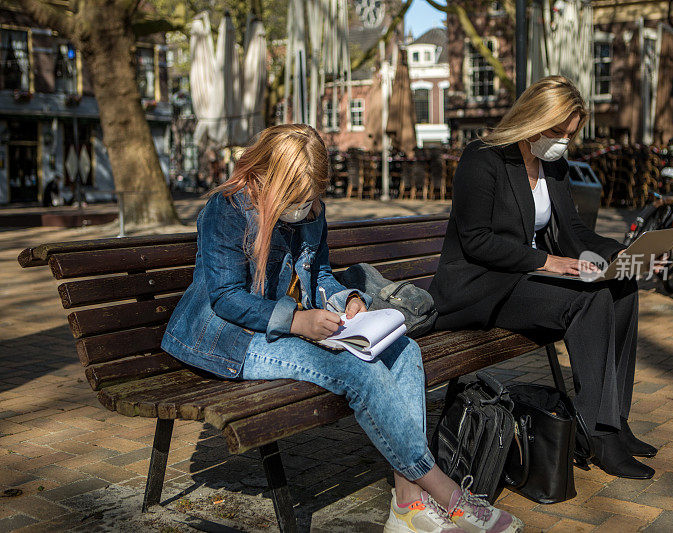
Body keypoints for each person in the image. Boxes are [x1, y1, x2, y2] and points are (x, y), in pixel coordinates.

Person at [161, 124, 523, 533]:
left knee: (405, 351)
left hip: (280, 324)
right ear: (270, 177)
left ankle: (406, 504)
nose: (306, 207)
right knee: (356, 371)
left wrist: (347, 300)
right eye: (296, 197)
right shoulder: (226, 209)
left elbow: (319, 274)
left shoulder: (311, 210)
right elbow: (226, 297)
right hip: (226, 336)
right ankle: (447, 493)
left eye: (312, 196)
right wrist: (298, 321)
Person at [429, 76, 658, 480]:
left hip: (524, 279)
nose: (563, 141)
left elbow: (574, 231)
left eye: (570, 133)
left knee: (621, 286)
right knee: (588, 301)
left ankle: (617, 423)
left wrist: (619, 254)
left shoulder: (553, 164)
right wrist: (547, 262)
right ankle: (598, 435)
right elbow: (476, 240)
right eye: (557, 131)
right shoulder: (483, 157)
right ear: (533, 118)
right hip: (482, 286)